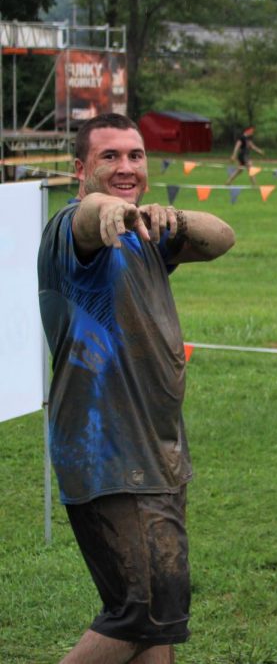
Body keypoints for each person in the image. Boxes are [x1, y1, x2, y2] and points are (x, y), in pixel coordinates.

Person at [38, 113, 235, 663]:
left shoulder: (146, 237)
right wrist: (113, 208)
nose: (126, 167)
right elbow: (91, 215)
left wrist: (163, 216)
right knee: (145, 612)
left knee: (156, 625)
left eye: (136, 155)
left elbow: (223, 237)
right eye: (110, 157)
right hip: (108, 455)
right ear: (80, 170)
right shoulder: (70, 229)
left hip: (158, 452)